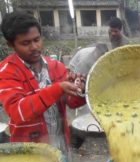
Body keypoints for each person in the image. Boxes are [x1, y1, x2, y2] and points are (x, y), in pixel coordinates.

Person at [0, 11, 86, 150]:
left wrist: (78, 89)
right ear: (11, 45)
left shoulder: (55, 66)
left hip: (61, 144)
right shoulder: (6, 72)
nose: (34, 47)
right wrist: (58, 88)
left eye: (37, 39)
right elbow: (18, 112)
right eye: (25, 43)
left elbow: (70, 102)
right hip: (31, 151)